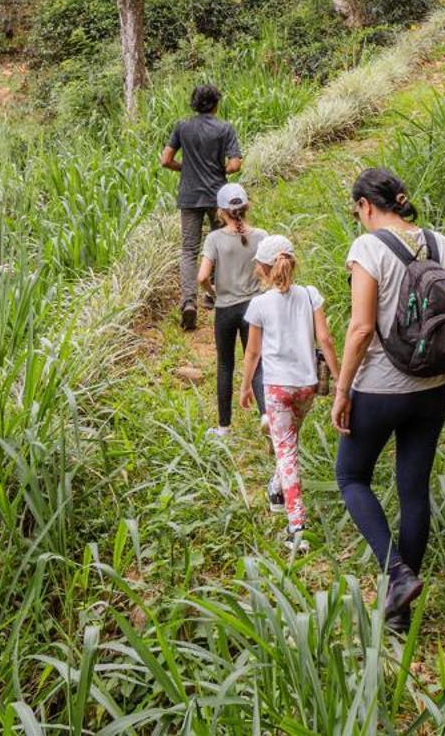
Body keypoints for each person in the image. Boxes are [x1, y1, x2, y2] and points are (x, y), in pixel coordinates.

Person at [331, 166, 445, 632]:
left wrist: (341, 389)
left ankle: (397, 573)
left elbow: (362, 327)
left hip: (379, 389)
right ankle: (399, 613)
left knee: (350, 476)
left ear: (365, 206)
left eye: (357, 211)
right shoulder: (433, 241)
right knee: (413, 491)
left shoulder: (367, 248)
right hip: (432, 387)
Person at [239, 233, 339, 554]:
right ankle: (276, 488)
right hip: (307, 386)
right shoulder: (311, 295)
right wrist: (340, 380)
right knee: (288, 442)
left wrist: (244, 388)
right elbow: (325, 339)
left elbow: (252, 354)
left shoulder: (259, 305)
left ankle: (296, 527)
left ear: (265, 268)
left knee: (286, 451)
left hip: (278, 387)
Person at [160, 82, 243, 331]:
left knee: (188, 250)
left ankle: (188, 302)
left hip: (189, 195)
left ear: (194, 104)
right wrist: (221, 170)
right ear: (216, 103)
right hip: (218, 195)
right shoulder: (224, 128)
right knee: (221, 244)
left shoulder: (182, 127)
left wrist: (185, 168)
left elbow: (165, 160)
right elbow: (235, 165)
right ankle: (214, 295)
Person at [197, 182, 266, 438]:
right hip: (255, 308)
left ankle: (224, 427)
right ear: (246, 207)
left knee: (225, 364)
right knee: (258, 362)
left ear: (220, 211)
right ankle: (266, 415)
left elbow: (202, 276)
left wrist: (215, 291)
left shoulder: (215, 239)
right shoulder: (261, 236)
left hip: (225, 308)